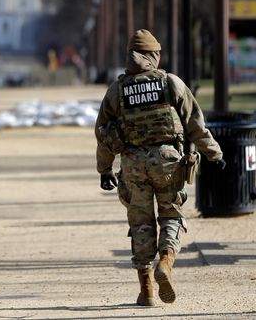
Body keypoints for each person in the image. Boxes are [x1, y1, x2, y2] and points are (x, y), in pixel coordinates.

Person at [94, 29, 224, 306]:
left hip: (132, 165)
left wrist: (104, 170)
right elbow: (195, 123)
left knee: (140, 224)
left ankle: (147, 291)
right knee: (171, 216)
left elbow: (103, 133)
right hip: (167, 161)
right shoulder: (170, 83)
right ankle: (165, 262)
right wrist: (214, 154)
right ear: (154, 55)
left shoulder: (117, 90)